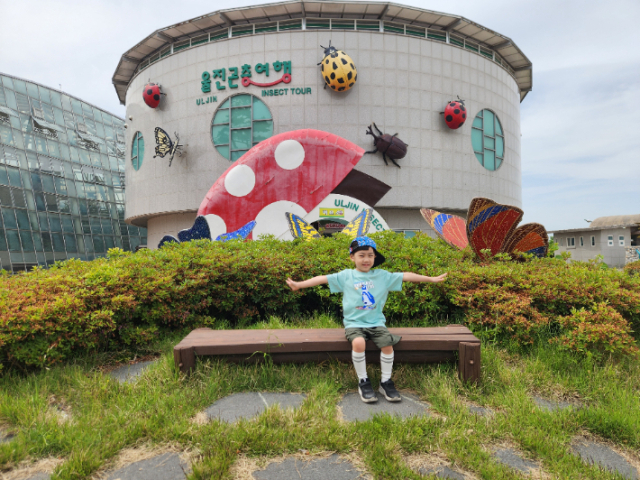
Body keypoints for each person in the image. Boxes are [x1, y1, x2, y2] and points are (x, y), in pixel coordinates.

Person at [286, 236, 448, 403]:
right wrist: (299, 284)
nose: (366, 259)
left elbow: (406, 276)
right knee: (358, 343)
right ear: (352, 257)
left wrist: (431, 279)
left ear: (375, 257)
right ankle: (363, 381)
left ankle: (385, 382)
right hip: (354, 323)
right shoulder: (346, 276)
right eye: (361, 255)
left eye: (370, 255)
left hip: (376, 323)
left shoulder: (382, 276)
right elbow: (323, 278)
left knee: (387, 344)